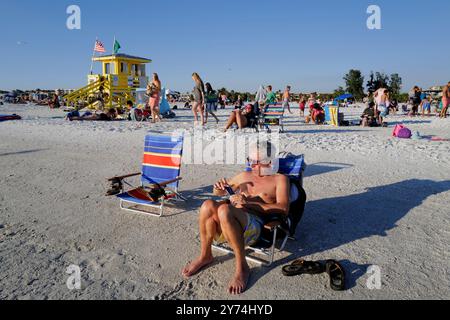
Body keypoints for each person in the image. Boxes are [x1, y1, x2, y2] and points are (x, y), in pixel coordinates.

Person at [182, 140, 291, 295]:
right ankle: (205, 255)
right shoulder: (244, 176)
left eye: (257, 162)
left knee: (225, 210)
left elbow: (283, 208)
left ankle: (242, 267)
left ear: (270, 161)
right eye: (250, 161)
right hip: (231, 224)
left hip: (256, 226)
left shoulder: (279, 179)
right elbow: (219, 193)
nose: (252, 165)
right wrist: (217, 189)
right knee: (207, 204)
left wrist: (250, 203)